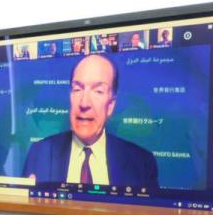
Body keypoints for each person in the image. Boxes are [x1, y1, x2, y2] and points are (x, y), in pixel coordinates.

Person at [23, 54, 158, 187]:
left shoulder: (142, 164)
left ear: (110, 105)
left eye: (98, 91)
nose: (84, 103)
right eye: (77, 89)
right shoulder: (39, 153)